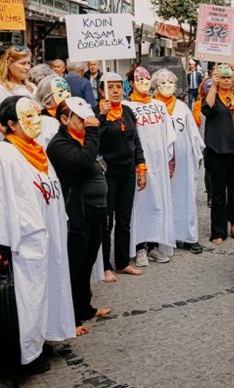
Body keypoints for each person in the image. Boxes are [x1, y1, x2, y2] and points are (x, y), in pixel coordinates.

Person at [0, 95, 76, 371]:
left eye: (37, 114)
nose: (36, 121)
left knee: (41, 293)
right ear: (10, 124)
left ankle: (40, 341)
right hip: (17, 246)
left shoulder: (38, 152)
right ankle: (19, 355)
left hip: (44, 241)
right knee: (21, 299)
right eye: (28, 117)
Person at [47, 97, 111, 334]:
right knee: (74, 267)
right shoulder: (59, 144)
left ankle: (85, 307)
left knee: (87, 264)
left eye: (87, 119)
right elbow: (83, 162)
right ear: (64, 120)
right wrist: (93, 133)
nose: (87, 123)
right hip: (77, 215)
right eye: (81, 120)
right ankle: (70, 318)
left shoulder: (81, 138)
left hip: (94, 213)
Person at [122, 67, 177, 266]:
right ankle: (139, 247)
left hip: (159, 165)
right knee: (140, 205)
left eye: (147, 78)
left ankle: (155, 245)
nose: (144, 81)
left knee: (157, 203)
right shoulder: (126, 107)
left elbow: (170, 137)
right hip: (139, 164)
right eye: (139, 78)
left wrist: (171, 162)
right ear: (131, 82)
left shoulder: (159, 106)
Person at [96, 72, 147, 280]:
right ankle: (105, 266)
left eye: (119, 87)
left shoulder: (127, 111)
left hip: (127, 174)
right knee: (106, 223)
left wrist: (141, 167)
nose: (116, 91)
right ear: (101, 91)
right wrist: (101, 117)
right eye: (110, 87)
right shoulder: (95, 114)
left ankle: (123, 262)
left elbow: (136, 141)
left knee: (124, 220)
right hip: (108, 174)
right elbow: (93, 142)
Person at [153, 69, 206, 254]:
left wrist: (197, 155)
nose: (167, 87)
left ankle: (189, 237)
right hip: (161, 163)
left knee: (186, 197)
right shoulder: (153, 107)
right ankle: (166, 237)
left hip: (183, 162)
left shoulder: (182, 108)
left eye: (170, 83)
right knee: (164, 198)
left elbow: (193, 132)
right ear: (157, 86)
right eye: (163, 83)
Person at [202, 66, 234, 245]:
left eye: (229, 78)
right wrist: (213, 85)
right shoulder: (212, 97)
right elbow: (207, 109)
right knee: (218, 193)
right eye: (223, 78)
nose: (226, 80)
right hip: (216, 150)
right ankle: (218, 231)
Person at [33, 76, 68, 147]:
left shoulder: (69, 114)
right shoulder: (43, 121)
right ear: (47, 95)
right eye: (61, 91)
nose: (67, 94)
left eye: (67, 90)